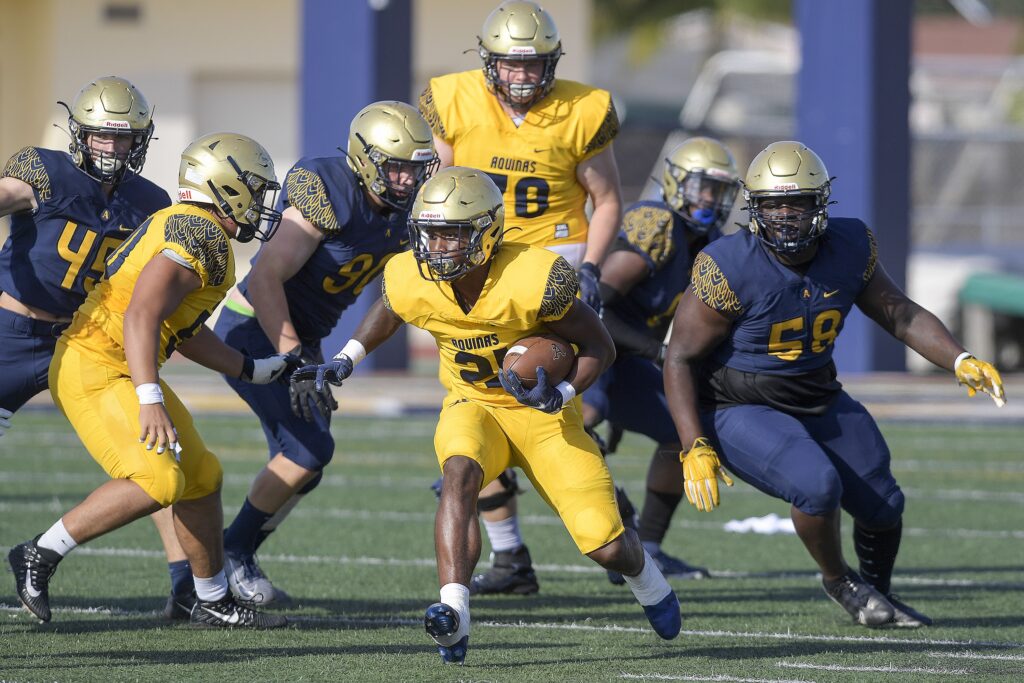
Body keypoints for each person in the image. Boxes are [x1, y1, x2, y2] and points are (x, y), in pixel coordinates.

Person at [293, 167, 680, 663]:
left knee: (605, 547)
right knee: (458, 474)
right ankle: (453, 610)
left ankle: (646, 577)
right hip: (472, 403)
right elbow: (392, 308)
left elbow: (599, 346)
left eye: (451, 234)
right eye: (429, 233)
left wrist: (560, 394)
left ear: (486, 232)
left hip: (544, 417)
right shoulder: (412, 273)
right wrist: (346, 358)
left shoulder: (533, 276)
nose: (437, 247)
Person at [663, 140, 1006, 629]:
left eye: (798, 203)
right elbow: (679, 357)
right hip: (740, 405)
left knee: (885, 505)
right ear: (754, 207)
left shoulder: (850, 246)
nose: (785, 216)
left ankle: (879, 593)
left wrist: (960, 358)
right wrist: (692, 442)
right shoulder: (728, 264)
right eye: (773, 204)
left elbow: (901, 314)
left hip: (816, 394)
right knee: (817, 486)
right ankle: (838, 581)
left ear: (820, 203)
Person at [7, 132, 293, 629]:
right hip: (96, 363)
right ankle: (38, 553)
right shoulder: (197, 232)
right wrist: (149, 396)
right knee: (159, 479)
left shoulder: (194, 227)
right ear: (226, 187)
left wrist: (251, 368)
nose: (262, 203)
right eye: (256, 188)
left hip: (115, 361)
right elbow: (142, 315)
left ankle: (208, 598)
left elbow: (179, 330)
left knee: (203, 477)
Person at [418, 0, 623, 594]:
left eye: (535, 65)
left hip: (551, 268)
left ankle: (610, 522)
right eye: (511, 65)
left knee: (550, 408)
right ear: (488, 62)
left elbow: (606, 200)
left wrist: (590, 268)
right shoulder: (453, 100)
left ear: (553, 63)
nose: (523, 77)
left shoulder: (583, 110)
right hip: (476, 267)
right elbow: (437, 189)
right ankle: (510, 558)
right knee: (475, 400)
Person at [200, 101, 436, 609]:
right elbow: (265, 278)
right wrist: (296, 359)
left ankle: (229, 557)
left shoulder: (400, 212)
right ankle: (229, 555)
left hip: (302, 339)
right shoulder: (327, 189)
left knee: (307, 461)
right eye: (396, 167)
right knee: (307, 452)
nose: (406, 180)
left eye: (415, 169)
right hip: (255, 327)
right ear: (365, 160)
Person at [582, 137, 741, 585]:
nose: (709, 199)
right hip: (589, 347)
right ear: (675, 184)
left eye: (718, 190)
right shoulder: (656, 225)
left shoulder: (707, 240)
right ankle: (490, 476)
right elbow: (594, 306)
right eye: (701, 187)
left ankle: (646, 547)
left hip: (625, 355)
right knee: (581, 420)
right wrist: (658, 353)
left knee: (683, 430)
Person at [0, 76, 169, 436]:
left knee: (147, 447)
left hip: (84, 340)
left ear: (138, 141)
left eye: (122, 137)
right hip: (12, 334)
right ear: (80, 134)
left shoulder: (152, 202)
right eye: (101, 135)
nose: (110, 147)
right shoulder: (46, 171)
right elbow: (7, 192)